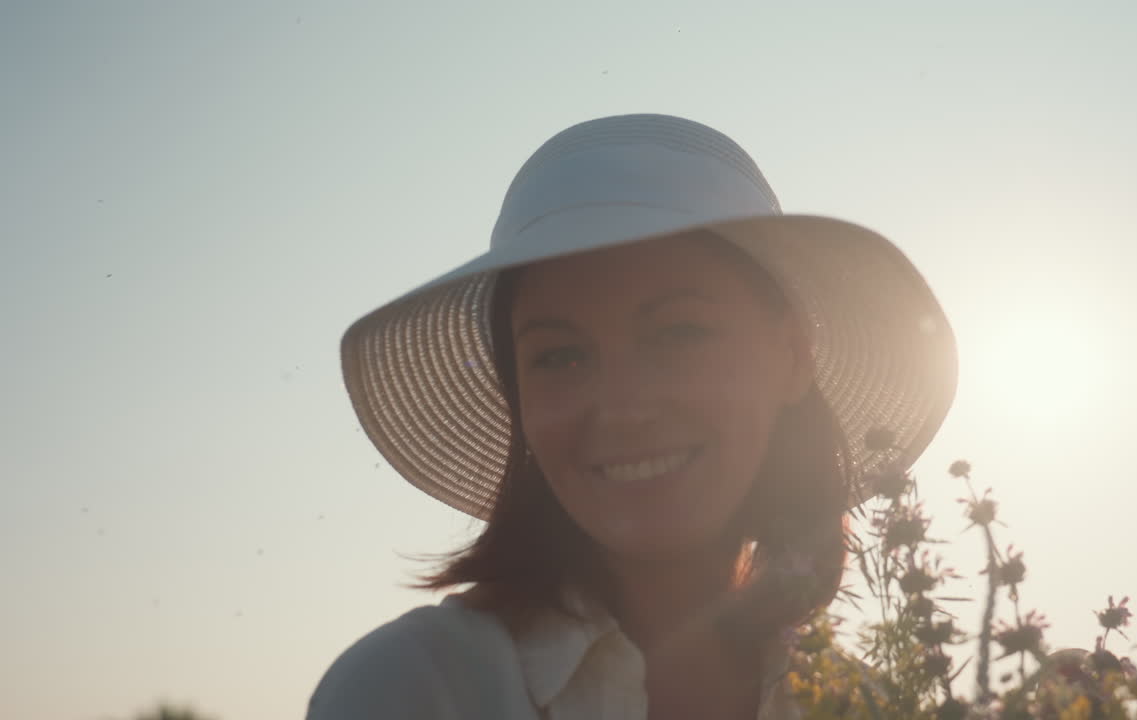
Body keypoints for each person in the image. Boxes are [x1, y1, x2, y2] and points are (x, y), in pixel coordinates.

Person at [307, 113, 958, 720]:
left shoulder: (850, 703)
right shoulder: (415, 688)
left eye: (678, 333)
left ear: (790, 357)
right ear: (519, 397)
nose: (622, 409)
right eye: (560, 356)